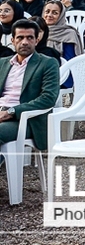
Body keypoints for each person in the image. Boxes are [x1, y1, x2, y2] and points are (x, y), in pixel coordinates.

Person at [0, 19, 60, 153]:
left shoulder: (48, 63)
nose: (25, 42)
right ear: (12, 40)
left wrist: (11, 112)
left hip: (26, 119)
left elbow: (48, 98)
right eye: (20, 37)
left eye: (30, 38)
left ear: (36, 40)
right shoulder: (2, 63)